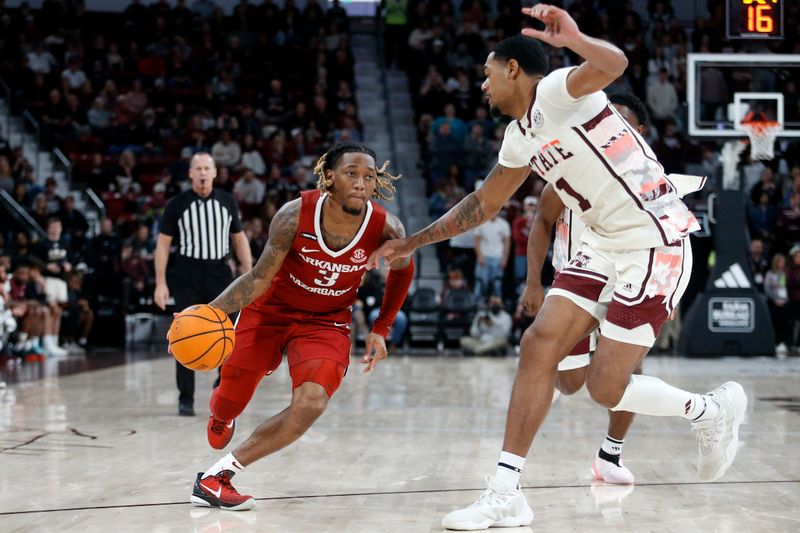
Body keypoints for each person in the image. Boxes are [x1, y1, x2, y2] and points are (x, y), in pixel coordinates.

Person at [369, 7, 747, 530]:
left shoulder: (558, 90)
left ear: (512, 70)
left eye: (486, 71)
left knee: (605, 388)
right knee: (538, 345)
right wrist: (414, 241)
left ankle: (710, 411)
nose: (481, 83)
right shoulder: (518, 137)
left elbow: (613, 64)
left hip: (654, 239)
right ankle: (505, 492)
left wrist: (574, 39)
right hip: (600, 242)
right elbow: (484, 204)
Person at [189, 142, 414, 511]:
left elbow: (403, 271)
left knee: (311, 402)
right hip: (270, 310)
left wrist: (382, 327)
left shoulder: (387, 226)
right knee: (232, 395)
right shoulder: (294, 216)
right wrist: (210, 312)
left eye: (368, 176)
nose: (361, 182)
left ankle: (217, 477)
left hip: (326, 322)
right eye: (351, 173)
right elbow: (259, 276)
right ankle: (222, 414)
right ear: (329, 177)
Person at [523, 93, 666, 485]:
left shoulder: (653, 181)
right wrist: (533, 281)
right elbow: (541, 222)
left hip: (627, 283)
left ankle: (610, 456)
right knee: (570, 382)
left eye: (621, 122)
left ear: (638, 133)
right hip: (576, 287)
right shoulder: (575, 167)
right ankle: (536, 399)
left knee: (626, 371)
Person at [154, 153, 253, 416]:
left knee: (227, 333)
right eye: (197, 168)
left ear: (214, 172)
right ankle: (185, 397)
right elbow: (163, 245)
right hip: (188, 273)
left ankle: (221, 386)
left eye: (206, 168)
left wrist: (250, 274)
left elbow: (239, 239)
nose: (202, 173)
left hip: (220, 272)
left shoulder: (227, 201)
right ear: (190, 173)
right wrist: (160, 282)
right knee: (184, 334)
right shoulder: (177, 204)